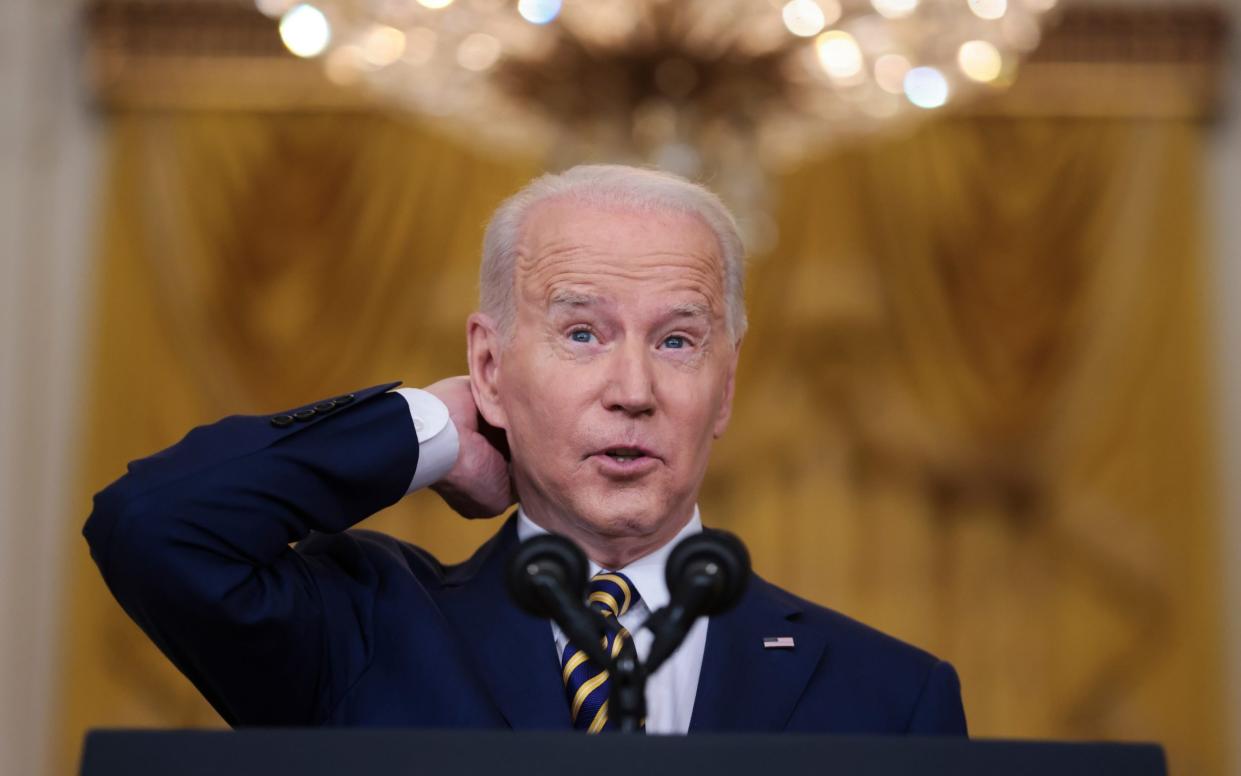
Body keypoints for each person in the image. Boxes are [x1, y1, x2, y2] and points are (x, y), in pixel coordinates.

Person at [84, 165, 967, 735]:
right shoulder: (364, 632)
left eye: (676, 342)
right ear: (490, 364)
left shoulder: (891, 699)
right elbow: (153, 526)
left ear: (726, 388)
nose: (632, 389)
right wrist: (427, 428)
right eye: (581, 333)